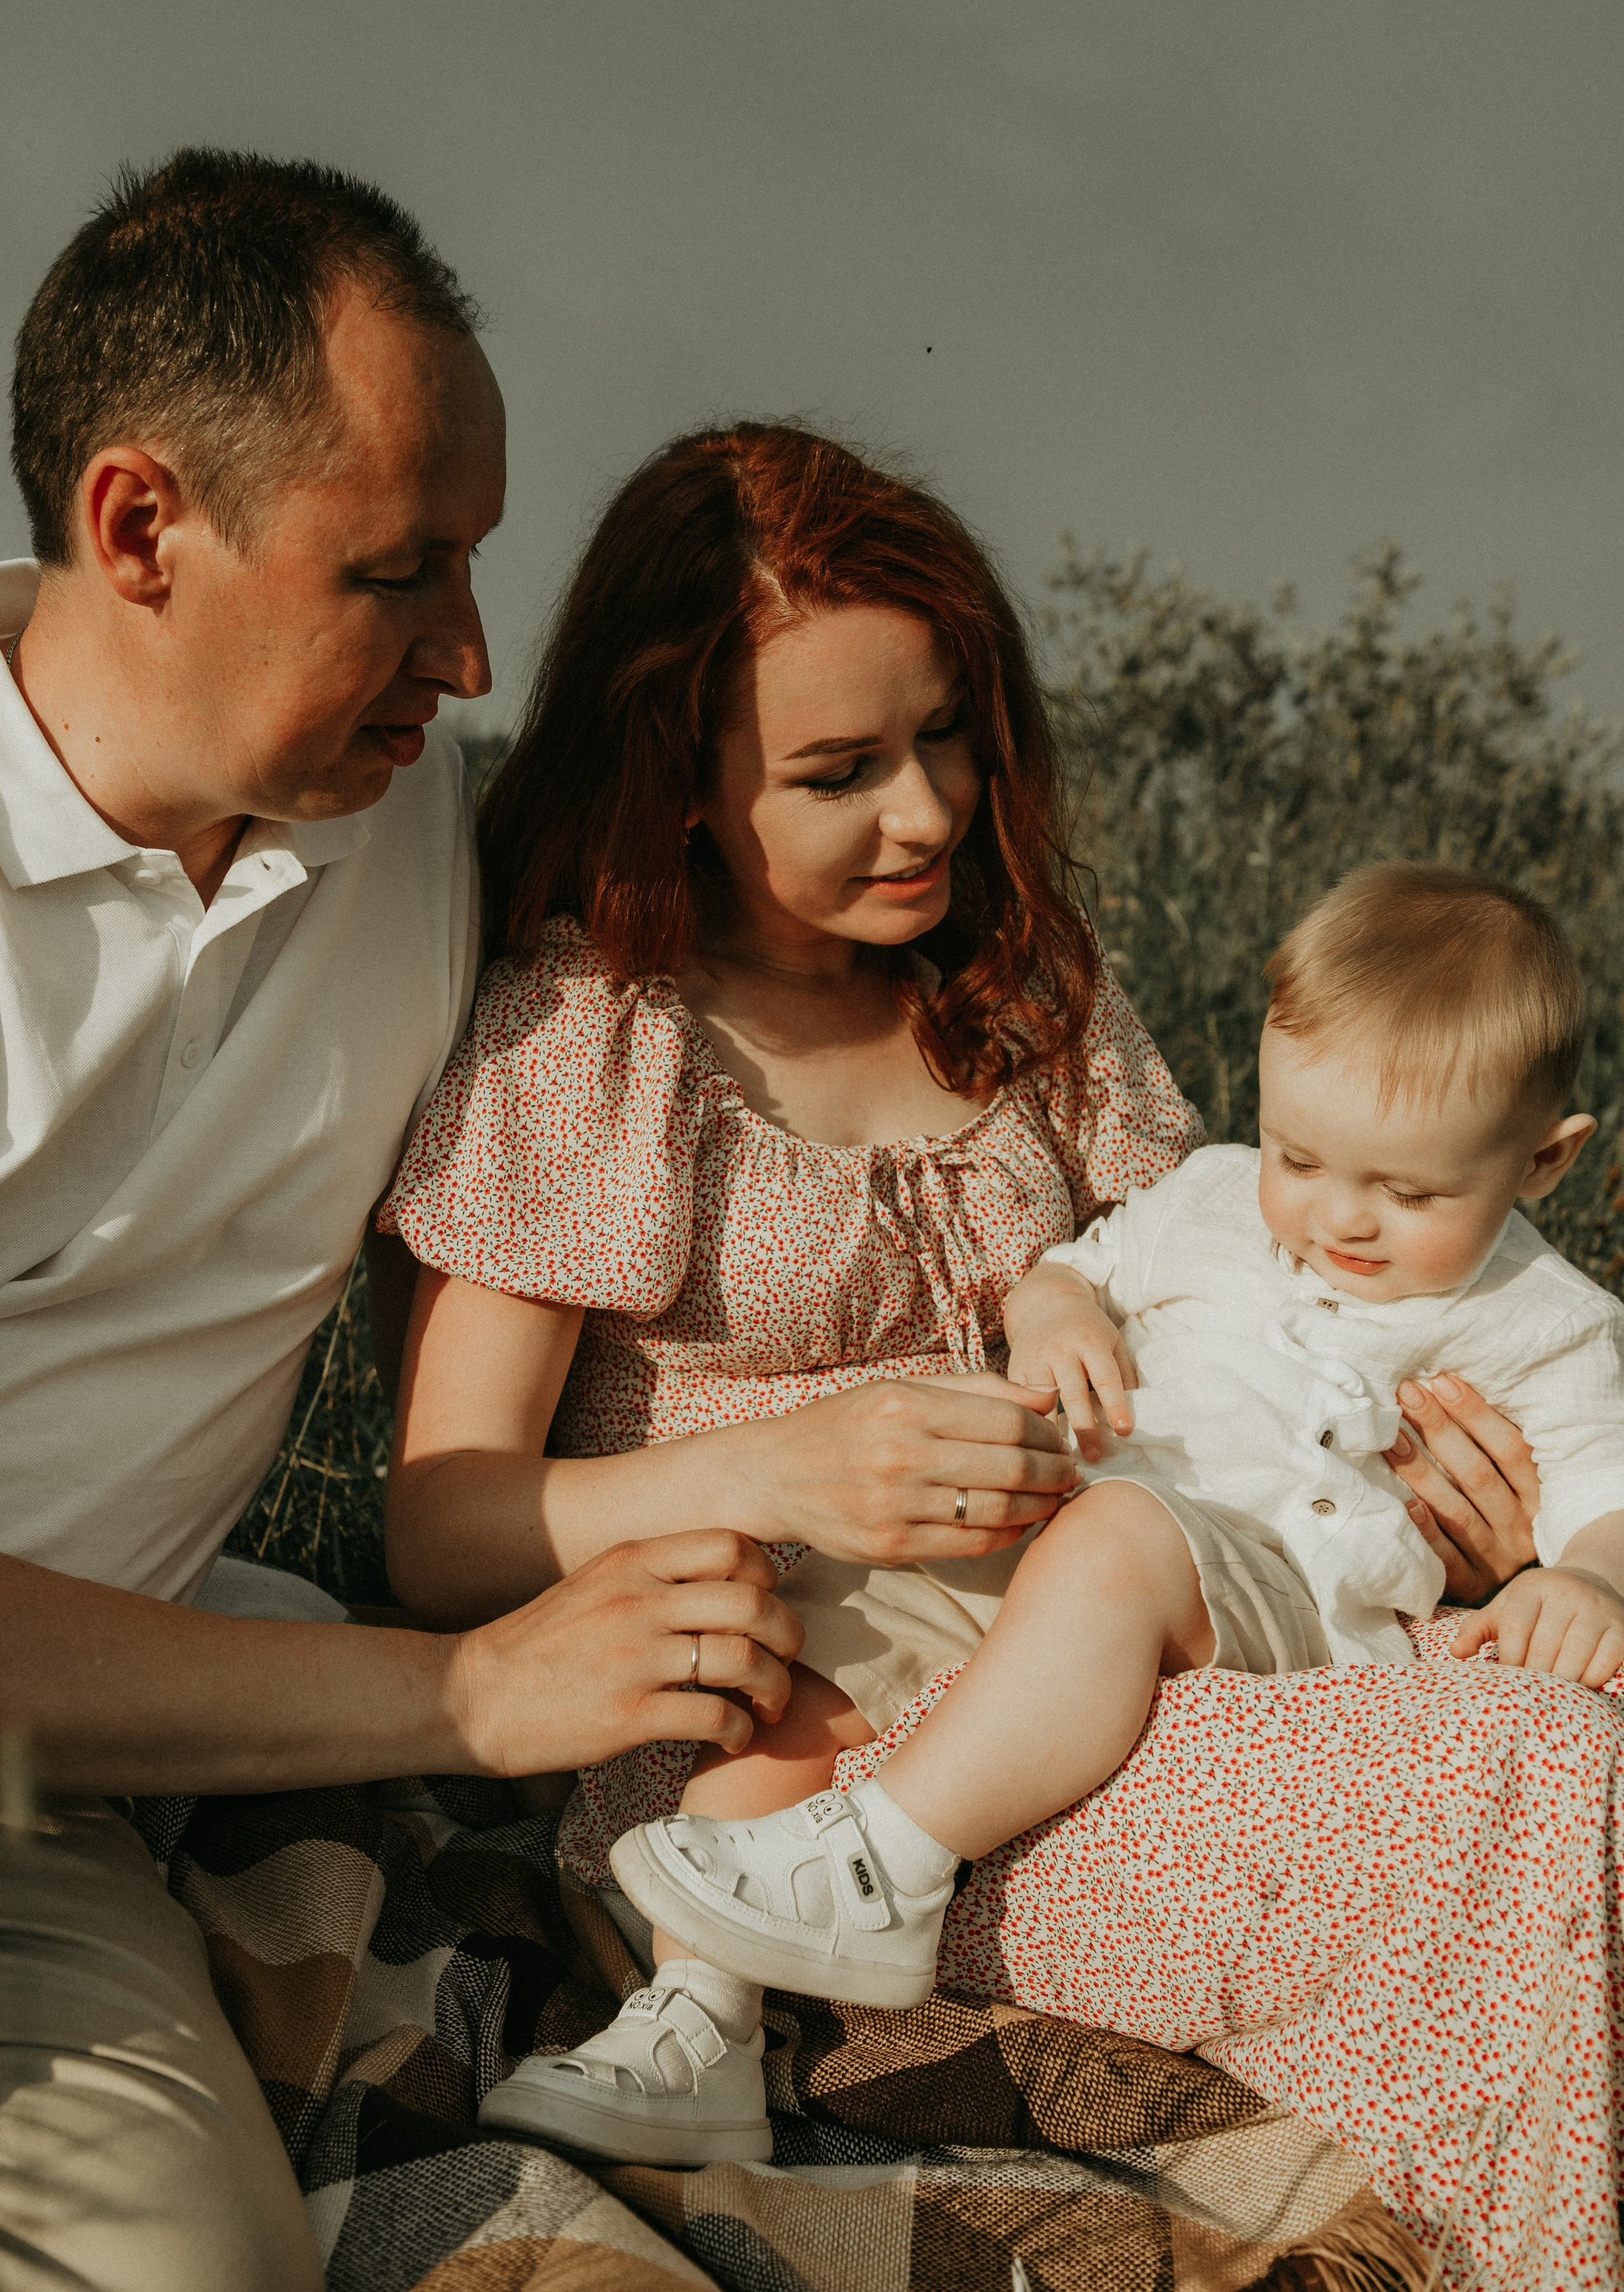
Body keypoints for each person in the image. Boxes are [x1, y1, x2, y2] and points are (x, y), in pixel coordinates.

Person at [379, 425, 1545, 2177]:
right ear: (677, 774)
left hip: (1131, 1645)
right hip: (789, 1740)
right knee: (1501, 1805)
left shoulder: (1017, 994)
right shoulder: (597, 1042)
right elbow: (441, 1527)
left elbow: (1263, 1309)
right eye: (840, 769)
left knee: (1537, 1730)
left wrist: (1437, 1513)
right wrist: (776, 1471)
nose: (927, 810)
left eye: (945, 736)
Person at [0, 152, 811, 2292]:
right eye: (399, 570)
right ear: (139, 525)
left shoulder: (421, 819)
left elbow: (836, 954)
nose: (464, 646)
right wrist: (458, 1698)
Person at [610, 862, 1624, 2039]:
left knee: (1124, 1539)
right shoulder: (1213, 1196)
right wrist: (1056, 1313)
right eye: (1300, 1158)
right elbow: (1081, 1266)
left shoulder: (1545, 1321)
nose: (1339, 1217)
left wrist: (1589, 1578)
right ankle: (690, 2025)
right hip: (1061, 1544)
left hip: (1261, 1597)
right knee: (813, 1653)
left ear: (1545, 1160)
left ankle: (886, 1865)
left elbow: (1605, 1485)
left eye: (1407, 1192)